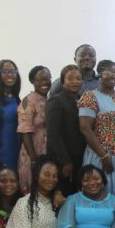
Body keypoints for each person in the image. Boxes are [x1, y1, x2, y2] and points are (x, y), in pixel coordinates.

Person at [79, 60, 115, 203]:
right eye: (108, 72)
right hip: (102, 157)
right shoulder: (90, 96)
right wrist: (103, 156)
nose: (113, 76)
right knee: (103, 196)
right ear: (99, 74)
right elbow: (85, 128)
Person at [45, 64, 86, 194]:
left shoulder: (83, 100)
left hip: (81, 156)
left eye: (78, 78)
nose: (75, 82)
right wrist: (66, 161)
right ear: (62, 82)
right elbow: (53, 134)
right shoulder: (55, 101)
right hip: (63, 159)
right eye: (70, 78)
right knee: (64, 193)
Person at [17, 65, 50, 193]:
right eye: (40, 79)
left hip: (47, 150)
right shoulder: (28, 101)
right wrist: (33, 159)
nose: (45, 82)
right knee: (33, 187)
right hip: (33, 151)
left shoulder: (49, 99)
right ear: (32, 81)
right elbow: (25, 132)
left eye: (47, 78)